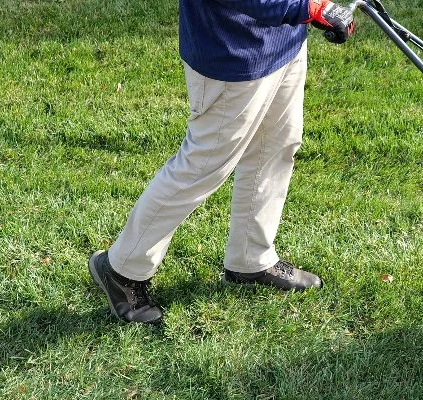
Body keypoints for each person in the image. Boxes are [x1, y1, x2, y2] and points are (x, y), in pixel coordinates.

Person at [88, 0, 356, 324]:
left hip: (284, 39)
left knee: (276, 146)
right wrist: (308, 8)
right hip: (233, 50)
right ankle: (122, 269)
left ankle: (250, 258)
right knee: (201, 168)